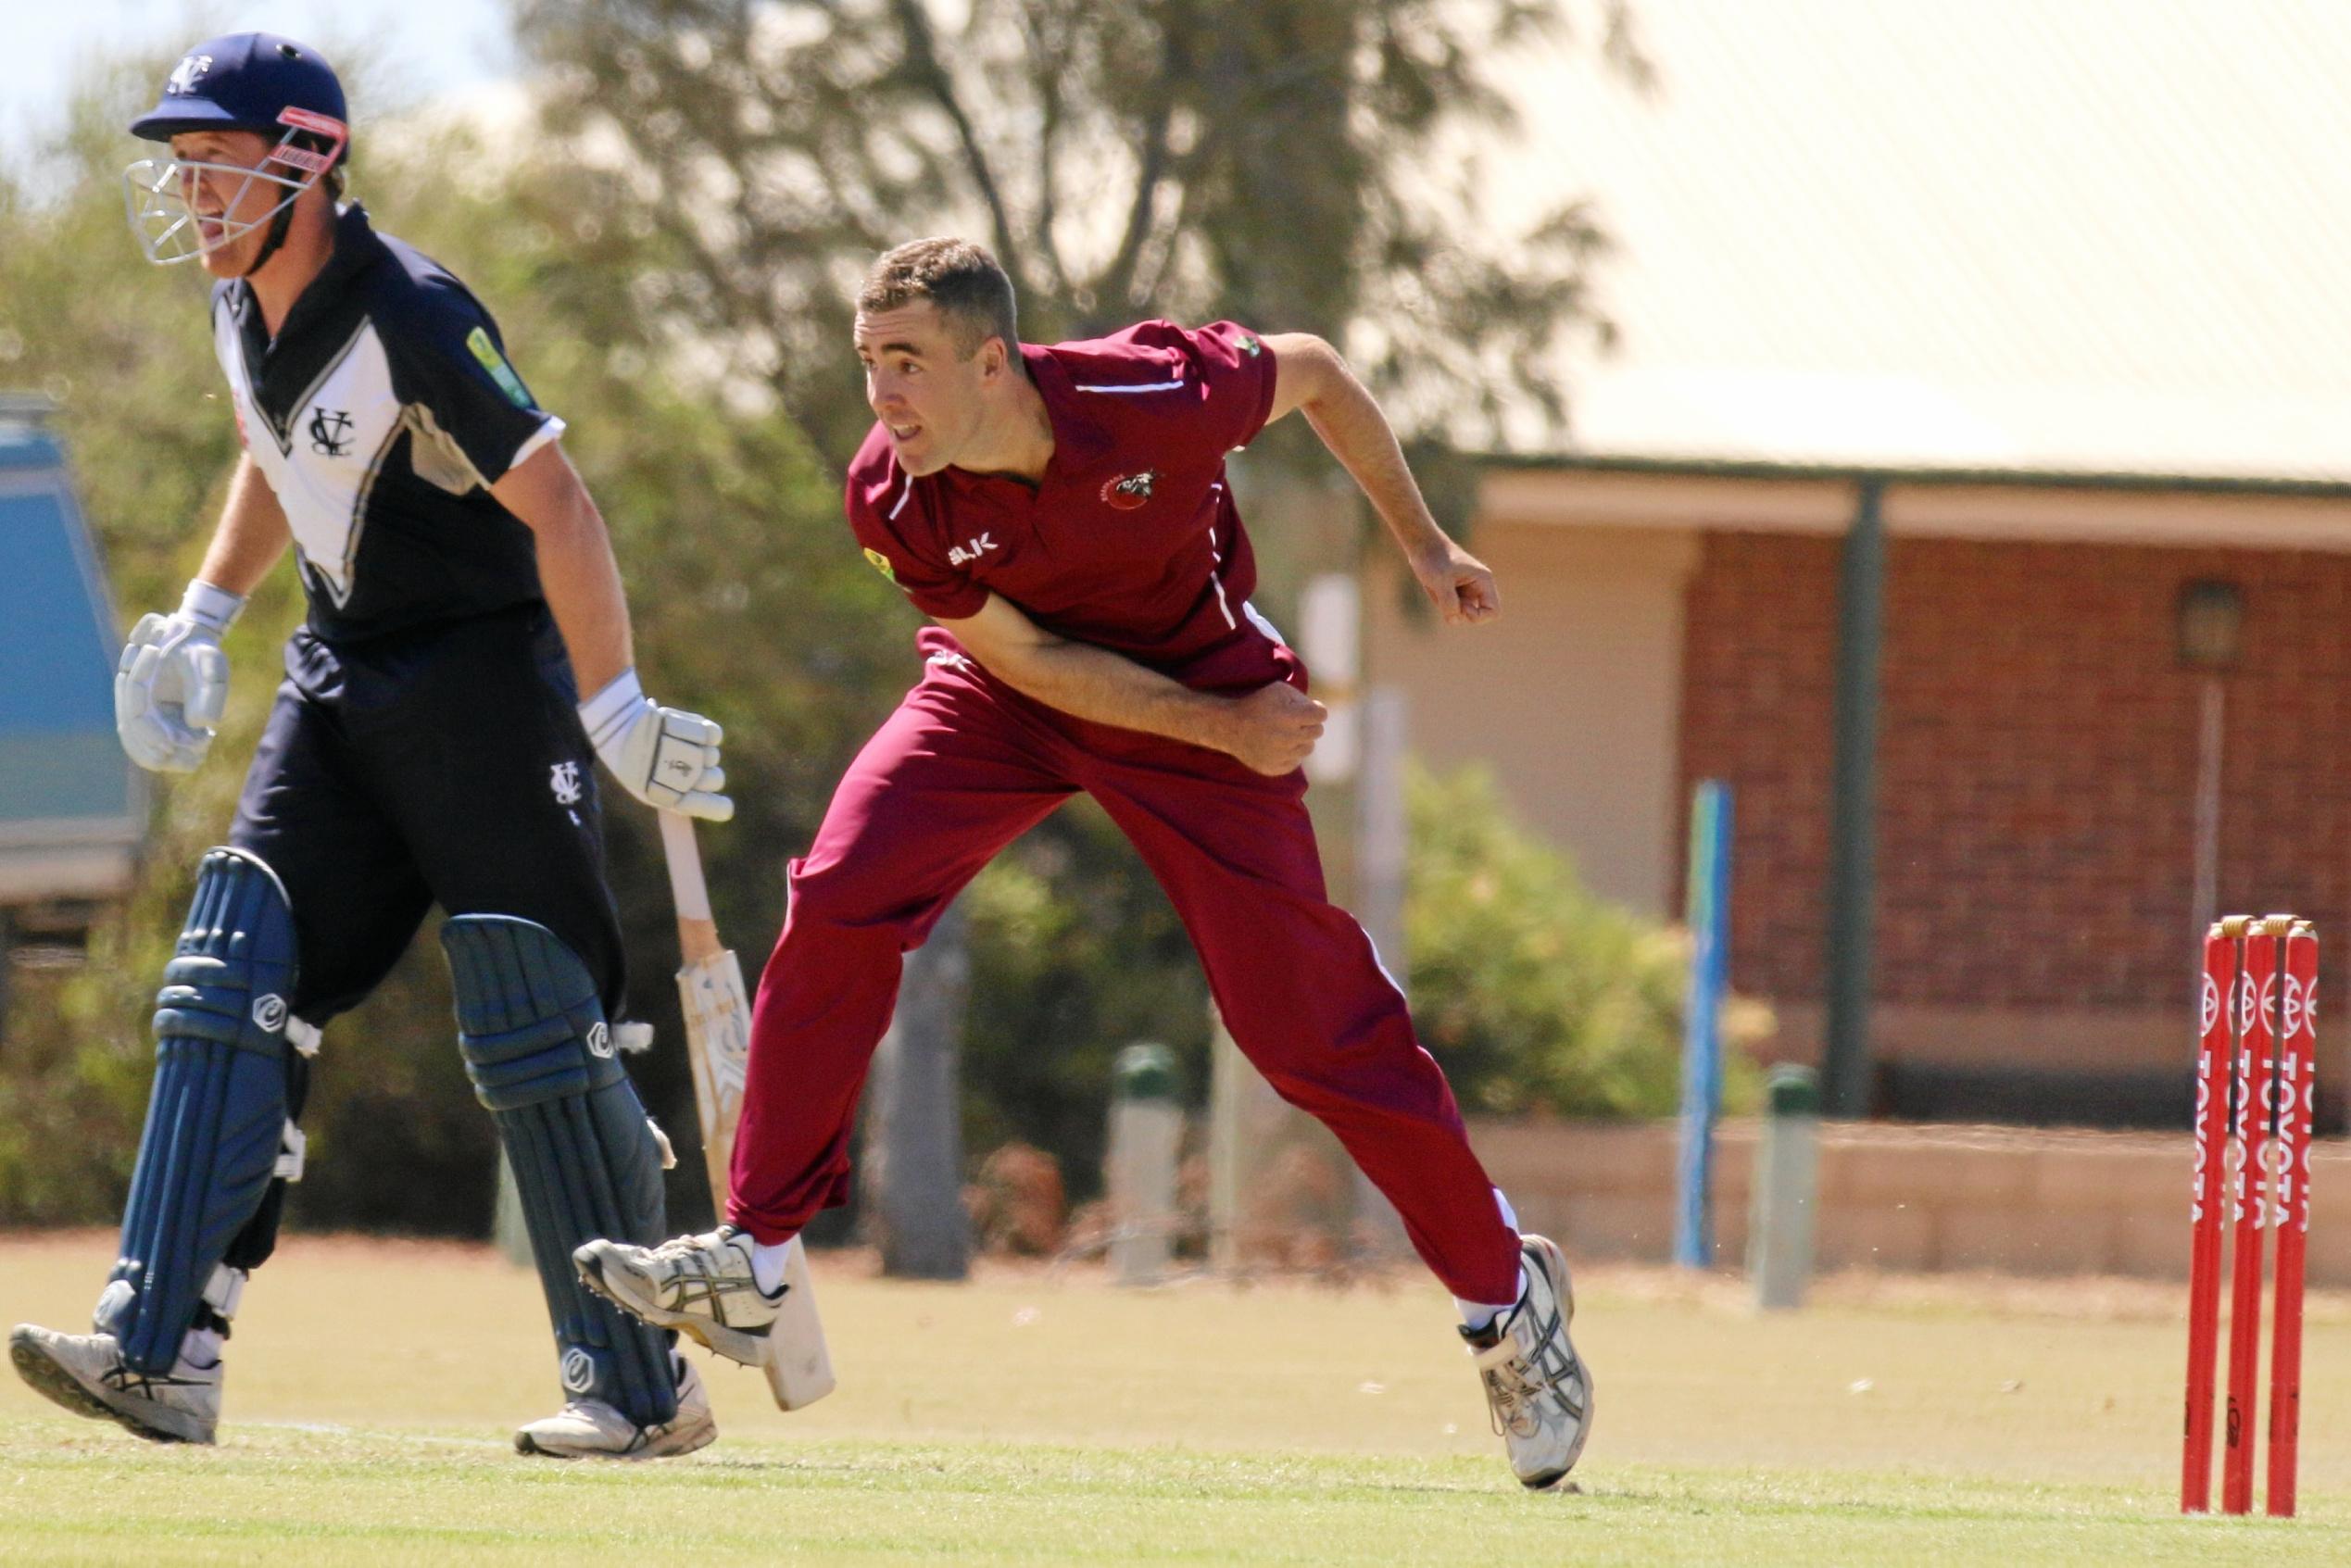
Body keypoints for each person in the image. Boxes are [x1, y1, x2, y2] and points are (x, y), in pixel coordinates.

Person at [577, 238, 1593, 1489]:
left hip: (1199, 689)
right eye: (867, 365)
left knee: (1304, 1031)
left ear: (993, 363)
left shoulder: (1150, 393)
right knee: (843, 892)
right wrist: (1224, 730)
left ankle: (1506, 1302)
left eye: (908, 364)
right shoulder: (891, 494)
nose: (882, 397)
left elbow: (1318, 373)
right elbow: (1034, 669)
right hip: (1016, 694)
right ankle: (758, 1258)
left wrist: (1425, 546)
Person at [6, 32, 729, 1460]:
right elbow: (277, 449)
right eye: (187, 166)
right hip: (339, 674)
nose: (198, 192)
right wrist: (208, 611)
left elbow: (562, 507)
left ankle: (641, 1391)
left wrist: (618, 704)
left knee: (531, 1009)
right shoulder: (237, 303)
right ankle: (161, 1351)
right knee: (231, 966)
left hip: (483, 683)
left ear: (312, 161)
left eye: (222, 163)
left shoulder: (410, 305)